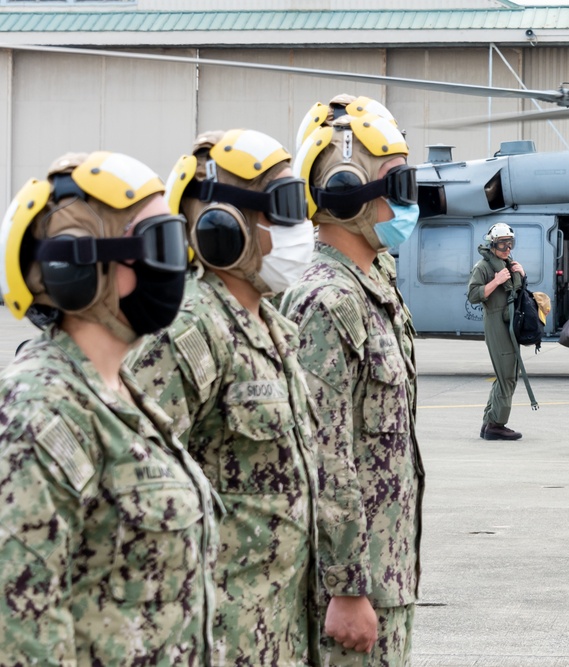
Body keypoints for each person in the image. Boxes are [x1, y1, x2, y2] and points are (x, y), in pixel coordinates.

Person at [0, 151, 218, 663]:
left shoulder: (122, 393)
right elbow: (21, 635)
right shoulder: (40, 414)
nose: (179, 264)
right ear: (80, 267)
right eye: (160, 243)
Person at [128, 129, 321, 665]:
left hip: (275, 630)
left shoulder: (271, 328)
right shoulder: (187, 331)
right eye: (283, 208)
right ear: (222, 226)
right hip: (218, 637)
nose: (300, 227)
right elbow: (136, 501)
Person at [281, 97, 425, 665]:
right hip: (354, 588)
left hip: (387, 571)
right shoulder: (328, 302)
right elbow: (324, 455)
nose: (411, 199)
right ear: (346, 192)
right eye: (399, 182)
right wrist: (346, 587)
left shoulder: (373, 286)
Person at [468, 222, 527, 440]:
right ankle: (496, 424)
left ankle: (490, 421)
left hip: (509, 323)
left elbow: (516, 294)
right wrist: (496, 281)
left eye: (510, 243)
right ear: (493, 244)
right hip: (496, 322)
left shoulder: (508, 264)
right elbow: (473, 295)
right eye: (503, 244)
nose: (508, 249)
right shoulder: (484, 267)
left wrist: (522, 275)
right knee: (507, 376)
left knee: (508, 372)